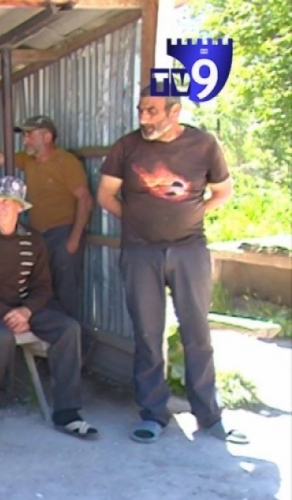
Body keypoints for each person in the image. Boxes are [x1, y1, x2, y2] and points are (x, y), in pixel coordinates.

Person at [96, 87, 247, 445]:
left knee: (197, 332)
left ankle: (209, 415)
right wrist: (135, 222)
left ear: (174, 112)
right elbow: (105, 195)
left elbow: (223, 191)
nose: (144, 118)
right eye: (141, 110)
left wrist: (195, 214)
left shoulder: (203, 145)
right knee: (148, 335)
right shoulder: (126, 146)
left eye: (152, 111)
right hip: (140, 253)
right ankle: (153, 414)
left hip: (189, 250)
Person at [0, 176, 97, 440]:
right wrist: (5, 313)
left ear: (19, 208)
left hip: (24, 309)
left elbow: (43, 286)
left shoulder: (34, 240)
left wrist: (26, 311)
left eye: (6, 202)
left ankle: (67, 412)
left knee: (69, 329)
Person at [0, 117, 93, 325]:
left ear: (47, 137)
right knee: (42, 288)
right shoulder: (28, 160)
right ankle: (35, 331)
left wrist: (74, 238)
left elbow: (85, 198)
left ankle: (68, 333)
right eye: (24, 135)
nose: (25, 140)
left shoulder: (66, 162)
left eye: (30, 135)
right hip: (39, 234)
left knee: (65, 289)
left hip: (63, 233)